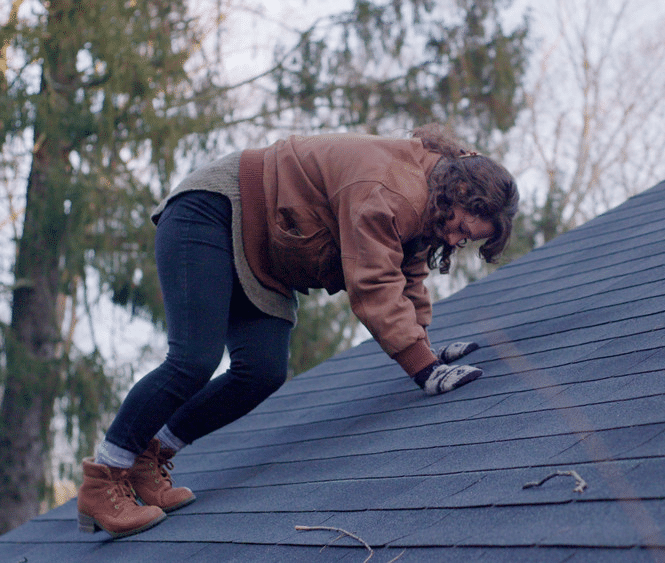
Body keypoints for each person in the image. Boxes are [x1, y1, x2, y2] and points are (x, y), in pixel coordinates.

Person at [76, 124, 519, 539]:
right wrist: (422, 370)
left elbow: (408, 275)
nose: (457, 239)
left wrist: (428, 351)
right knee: (193, 357)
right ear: (458, 191)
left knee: (262, 371)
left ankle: (151, 455)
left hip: (264, 250)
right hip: (212, 213)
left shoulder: (428, 202)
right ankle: (103, 478)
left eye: (467, 239)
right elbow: (373, 284)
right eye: (461, 226)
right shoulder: (391, 189)